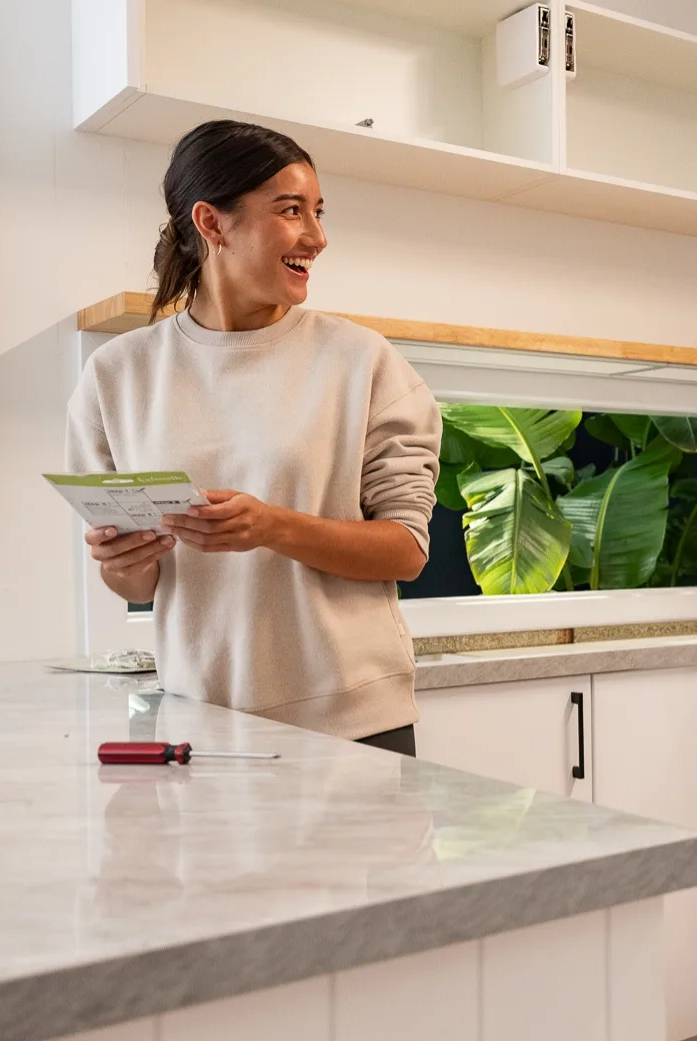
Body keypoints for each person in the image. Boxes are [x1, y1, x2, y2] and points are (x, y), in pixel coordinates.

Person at [66, 120, 441, 755]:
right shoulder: (116, 376)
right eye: (291, 211)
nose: (317, 237)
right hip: (202, 720)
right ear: (212, 223)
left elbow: (406, 548)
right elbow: (136, 586)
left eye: (317, 212)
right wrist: (122, 563)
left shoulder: (362, 361)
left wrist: (272, 526)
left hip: (354, 722)